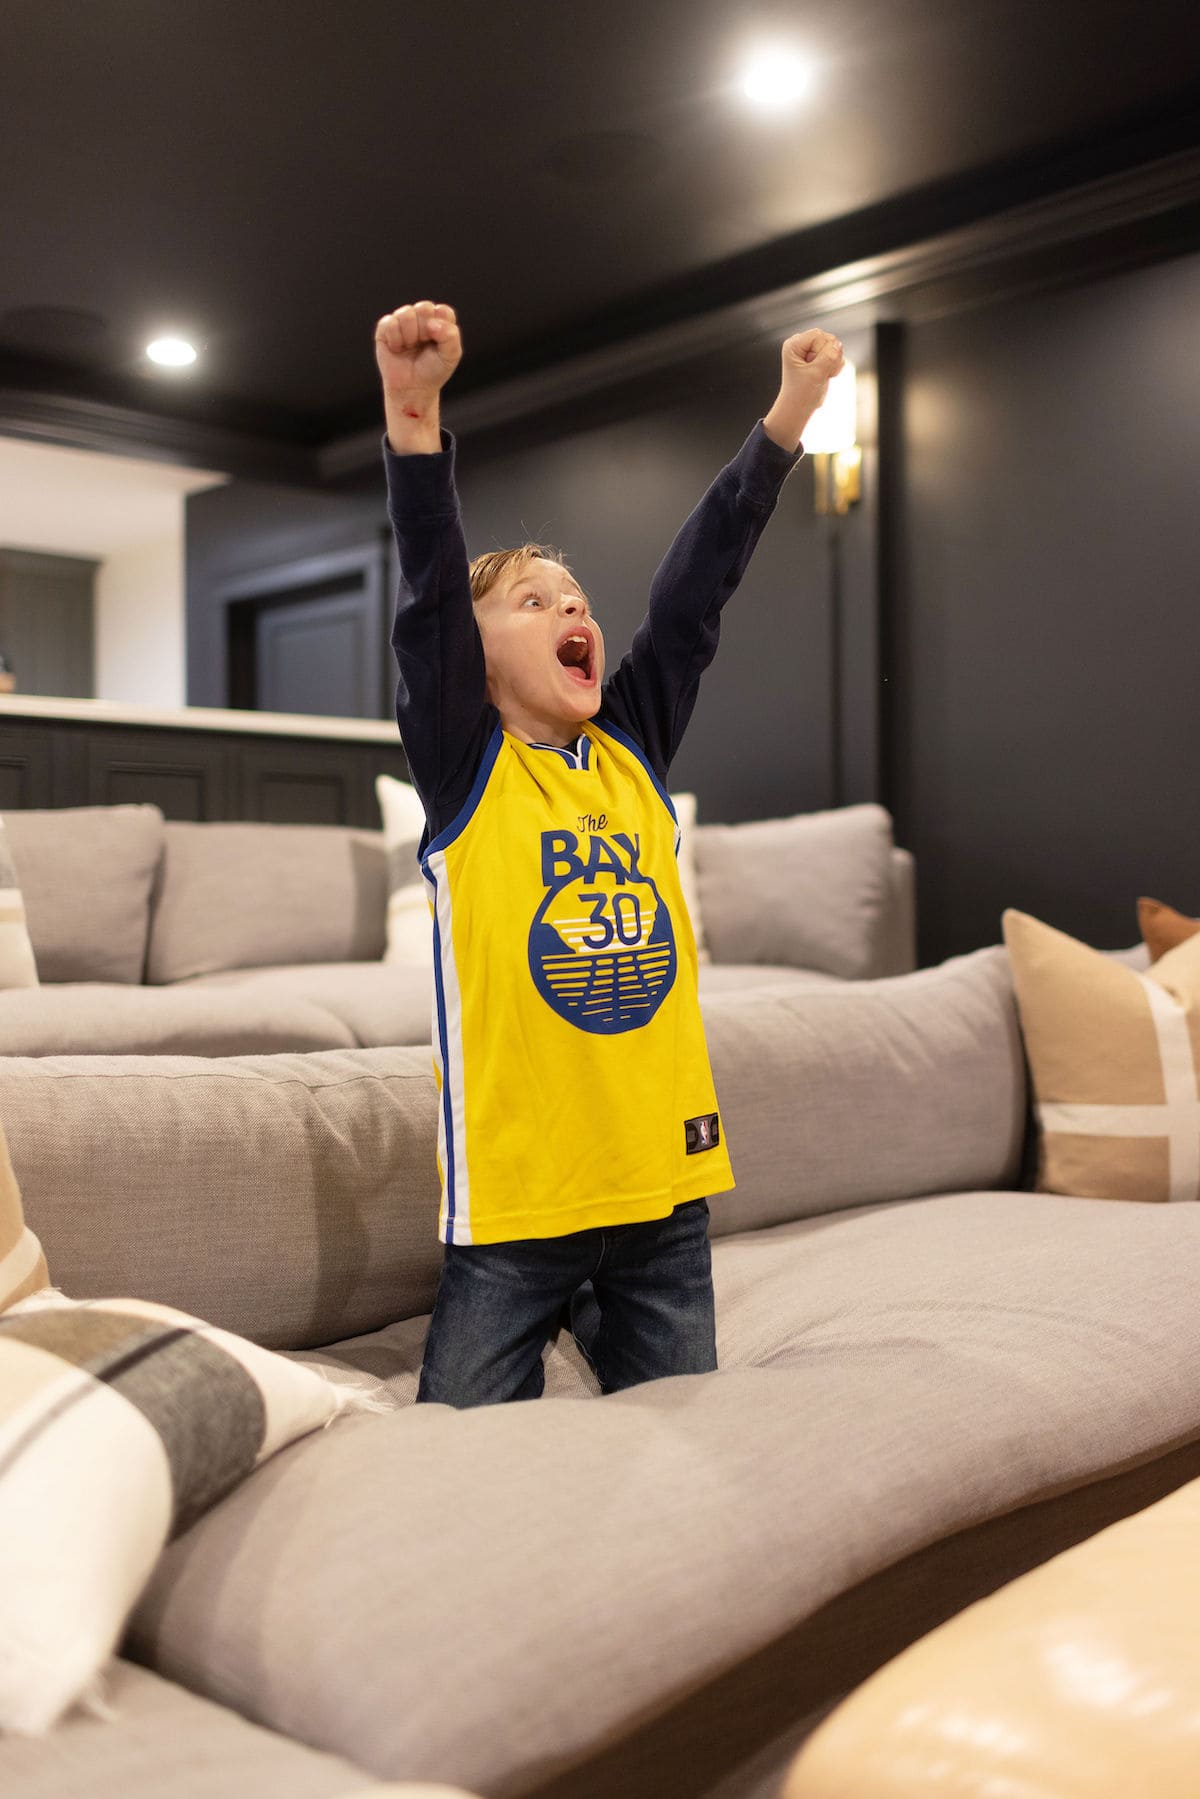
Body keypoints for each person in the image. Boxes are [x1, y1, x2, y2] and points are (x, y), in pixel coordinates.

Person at [377, 299, 844, 1407]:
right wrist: (413, 420)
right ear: (476, 668)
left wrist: (786, 418)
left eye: (576, 599)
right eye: (531, 602)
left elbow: (695, 595)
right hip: (519, 1208)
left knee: (683, 1428)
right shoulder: (466, 770)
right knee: (461, 1447)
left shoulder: (631, 746)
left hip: (663, 1196)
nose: (568, 608)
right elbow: (434, 595)